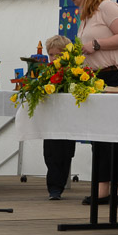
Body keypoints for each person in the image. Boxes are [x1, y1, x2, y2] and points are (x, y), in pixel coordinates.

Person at [68, 0, 118, 206]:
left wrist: (96, 44)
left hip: (115, 76)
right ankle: (102, 188)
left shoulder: (107, 6)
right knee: (98, 135)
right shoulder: (87, 14)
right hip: (96, 77)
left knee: (114, 134)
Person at [42, 35, 76, 200]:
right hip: (51, 121)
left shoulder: (74, 73)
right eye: (51, 55)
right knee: (50, 153)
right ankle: (53, 187)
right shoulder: (46, 73)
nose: (54, 58)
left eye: (59, 55)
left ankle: (58, 185)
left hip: (68, 121)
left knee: (65, 153)